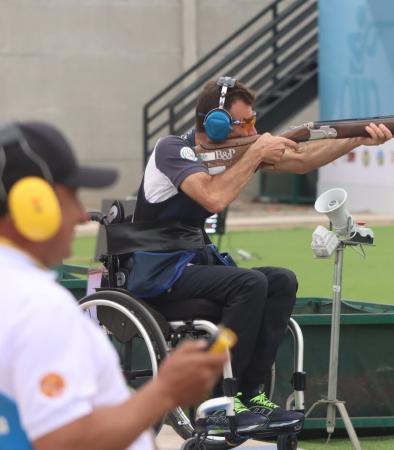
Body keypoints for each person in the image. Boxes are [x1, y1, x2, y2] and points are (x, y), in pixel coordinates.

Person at [131, 77, 394, 433]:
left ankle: (250, 392)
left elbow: (302, 160)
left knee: (280, 281)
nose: (255, 130)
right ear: (215, 123)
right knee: (250, 283)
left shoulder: (238, 151)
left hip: (193, 264)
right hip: (157, 271)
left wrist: (358, 137)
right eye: (245, 124)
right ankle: (218, 401)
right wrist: (257, 152)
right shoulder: (172, 149)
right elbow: (213, 199)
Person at [0, 121, 228, 450]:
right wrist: (165, 390)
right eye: (71, 197)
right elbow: (65, 442)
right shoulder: (37, 305)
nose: (81, 215)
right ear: (32, 203)